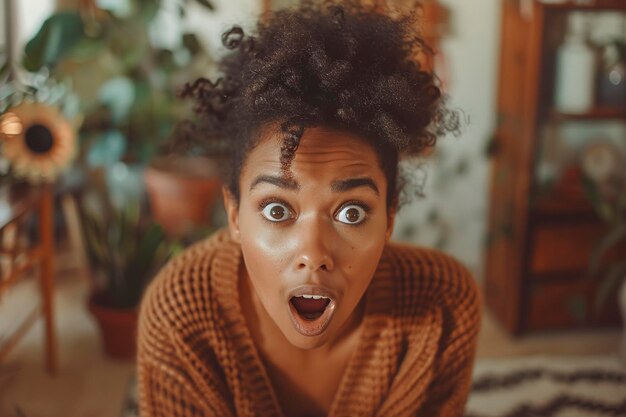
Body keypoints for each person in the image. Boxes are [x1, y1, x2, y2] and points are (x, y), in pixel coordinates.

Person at [137, 1, 482, 416]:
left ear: (390, 218)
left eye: (351, 212)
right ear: (234, 214)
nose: (314, 255)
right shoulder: (182, 314)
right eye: (277, 211)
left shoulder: (442, 307)